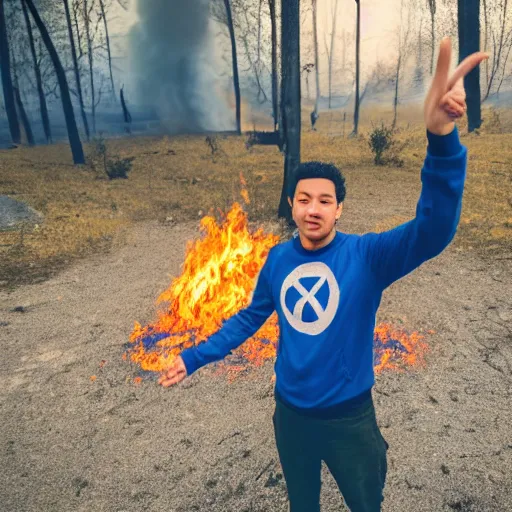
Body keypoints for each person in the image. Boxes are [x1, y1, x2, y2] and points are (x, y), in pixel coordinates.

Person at [159, 38, 488, 512]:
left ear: (339, 209)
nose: (313, 210)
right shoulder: (277, 260)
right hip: (290, 416)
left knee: (364, 503)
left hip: (350, 419)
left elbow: (433, 230)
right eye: (304, 199)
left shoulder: (368, 256)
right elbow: (249, 319)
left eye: (325, 201)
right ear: (292, 204)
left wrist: (441, 141)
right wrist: (194, 358)